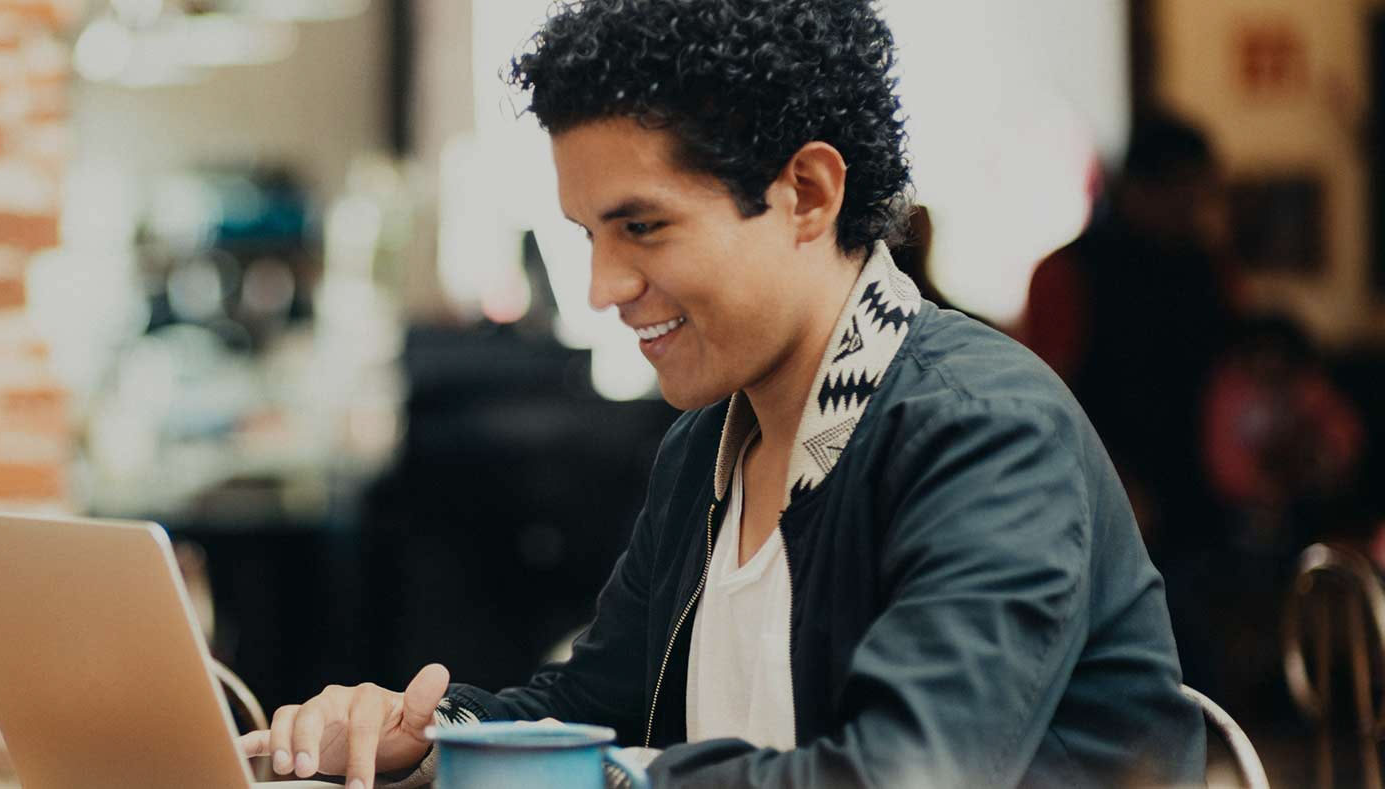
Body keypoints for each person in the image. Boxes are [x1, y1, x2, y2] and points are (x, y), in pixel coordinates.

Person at [239, 1, 1203, 786]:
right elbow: (588, 711)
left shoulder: (981, 431)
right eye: (588, 235)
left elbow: (908, 773)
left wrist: (621, 776)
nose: (603, 287)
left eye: (644, 227)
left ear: (809, 194)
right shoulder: (708, 444)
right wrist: (418, 733)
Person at [1021, 117, 1236, 556]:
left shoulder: (1212, 270)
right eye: (1187, 192)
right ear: (1140, 188)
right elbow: (1050, 401)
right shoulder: (1066, 273)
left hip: (1206, 498)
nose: (1198, 209)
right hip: (1106, 498)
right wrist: (1110, 482)